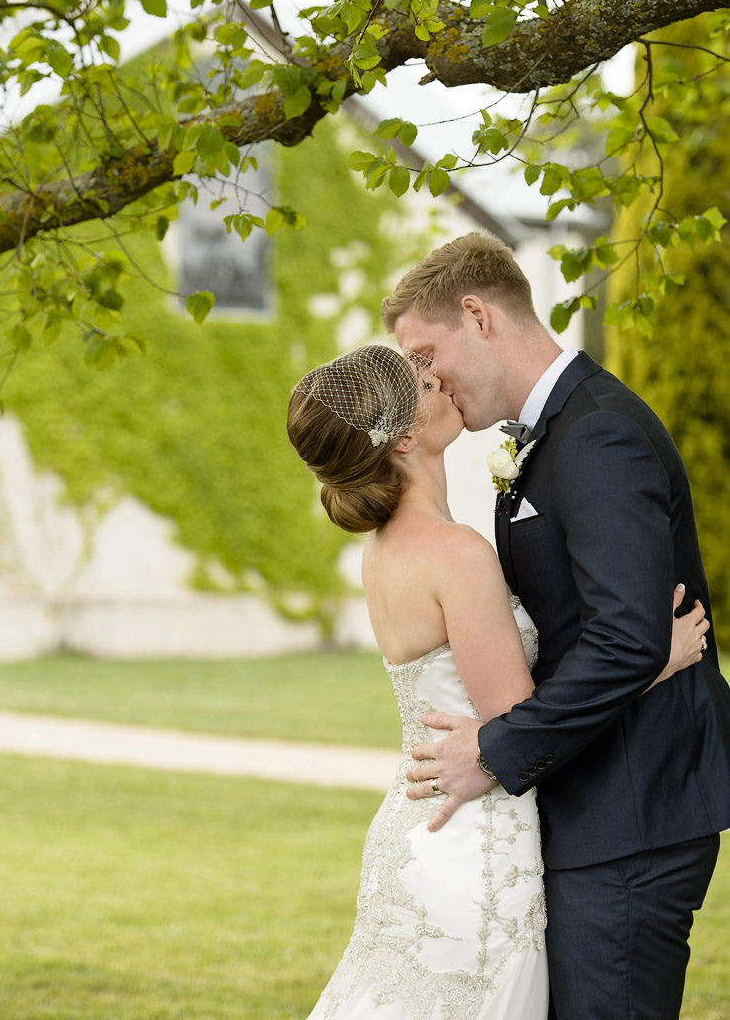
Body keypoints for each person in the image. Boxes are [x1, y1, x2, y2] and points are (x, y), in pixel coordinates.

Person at [286, 342, 707, 1019]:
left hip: (422, 822)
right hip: (474, 841)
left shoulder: (385, 549)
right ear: (402, 439)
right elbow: (517, 721)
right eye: (424, 385)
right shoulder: (454, 553)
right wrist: (649, 663)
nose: (442, 382)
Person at [381, 230, 730, 1020]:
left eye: (426, 353)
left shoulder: (596, 432)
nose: (424, 379)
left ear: (478, 315)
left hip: (628, 816)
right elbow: (595, 633)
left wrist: (493, 752)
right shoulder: (546, 438)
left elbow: (625, 634)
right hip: (587, 805)